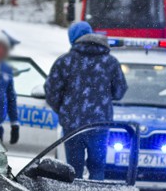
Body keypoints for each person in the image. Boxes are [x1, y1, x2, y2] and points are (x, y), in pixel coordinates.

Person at [45, 21, 127, 180]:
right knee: (97, 168)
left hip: (72, 126)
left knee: (73, 171)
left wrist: (63, 109)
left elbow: (51, 91)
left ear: (73, 38)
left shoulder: (65, 61)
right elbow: (120, 91)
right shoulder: (110, 62)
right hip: (100, 125)